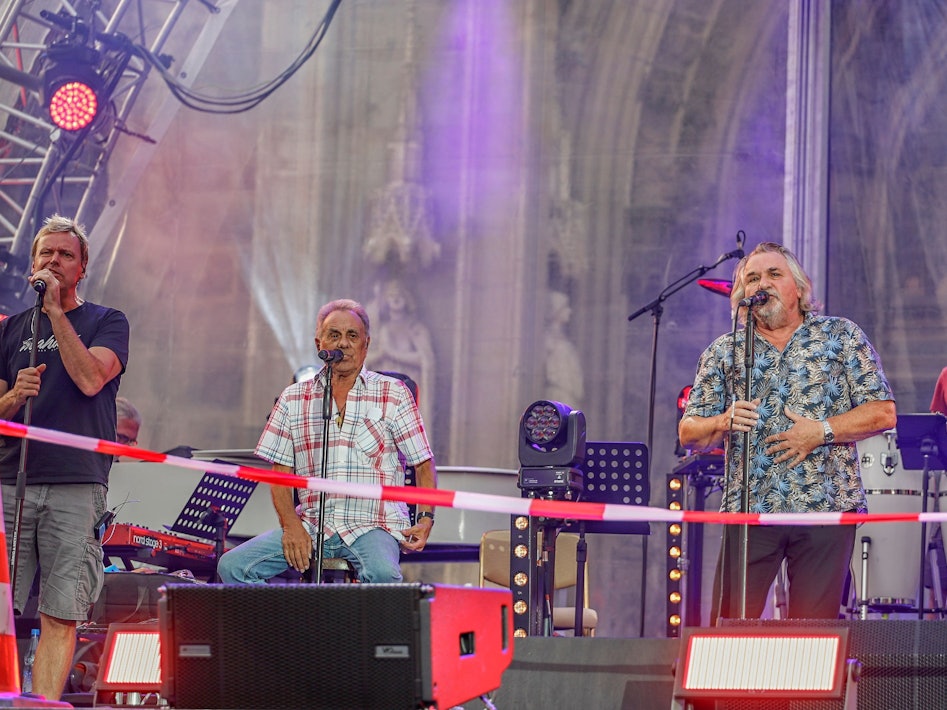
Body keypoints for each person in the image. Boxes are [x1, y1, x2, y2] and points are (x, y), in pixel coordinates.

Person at [678, 242, 896, 621]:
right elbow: (689, 433)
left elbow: (883, 412)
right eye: (752, 278)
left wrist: (821, 431)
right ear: (742, 295)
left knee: (813, 632)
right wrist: (721, 421)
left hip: (824, 506)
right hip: (750, 510)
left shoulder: (840, 336)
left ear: (799, 287)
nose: (762, 282)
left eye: (774, 274)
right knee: (729, 627)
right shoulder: (724, 351)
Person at [218, 298, 437, 586]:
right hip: (311, 525)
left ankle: (363, 632)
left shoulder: (393, 393)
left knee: (384, 576)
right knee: (232, 567)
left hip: (373, 525)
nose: (343, 343)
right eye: (334, 335)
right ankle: (288, 629)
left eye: (352, 336)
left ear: (366, 345)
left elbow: (423, 462)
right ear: (319, 343)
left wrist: (425, 518)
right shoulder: (293, 398)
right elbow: (280, 476)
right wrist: (291, 526)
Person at [0, 215, 129, 700]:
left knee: (60, 607)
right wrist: (13, 398)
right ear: (32, 263)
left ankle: (46, 702)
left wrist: (56, 313)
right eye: (45, 254)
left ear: (82, 267)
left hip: (75, 483)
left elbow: (93, 379)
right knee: (1, 606)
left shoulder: (106, 321)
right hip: (11, 480)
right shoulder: (9, 329)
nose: (53, 261)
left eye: (65, 255)